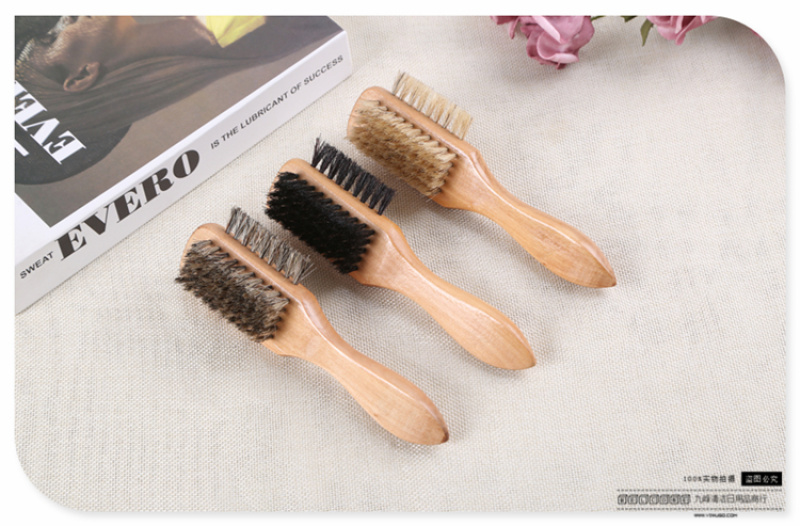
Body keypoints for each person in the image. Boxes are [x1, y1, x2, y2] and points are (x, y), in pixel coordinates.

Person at [15, 16, 340, 184]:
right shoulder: (243, 23)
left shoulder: (219, 32)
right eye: (50, 38)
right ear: (83, 76)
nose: (61, 19)